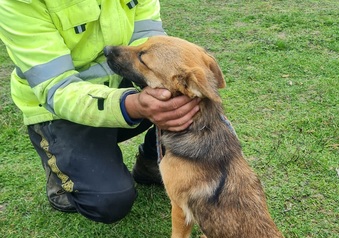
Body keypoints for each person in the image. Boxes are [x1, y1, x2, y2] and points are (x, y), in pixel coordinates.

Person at [0, 0, 200, 224]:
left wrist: (167, 90)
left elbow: (149, 39)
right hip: (60, 108)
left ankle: (153, 160)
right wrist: (133, 105)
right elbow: (57, 89)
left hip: (119, 86)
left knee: (191, 103)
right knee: (108, 201)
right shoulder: (18, 3)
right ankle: (62, 171)